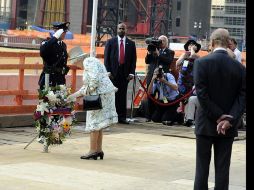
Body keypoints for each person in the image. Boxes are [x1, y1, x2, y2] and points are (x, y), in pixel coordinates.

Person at [193, 28, 246, 190]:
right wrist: (228, 119)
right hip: (228, 127)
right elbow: (242, 97)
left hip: (205, 124)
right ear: (228, 43)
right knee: (223, 170)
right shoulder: (239, 68)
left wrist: (218, 116)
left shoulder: (201, 63)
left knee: (201, 169)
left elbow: (202, 95)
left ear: (212, 42)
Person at [67, 57, 118, 160]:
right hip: (104, 93)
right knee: (99, 123)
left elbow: (94, 81)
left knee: (94, 122)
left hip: (99, 95)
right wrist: (73, 96)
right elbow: (88, 85)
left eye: (75, 63)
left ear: (78, 60)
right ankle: (98, 150)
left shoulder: (88, 61)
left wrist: (87, 92)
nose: (76, 66)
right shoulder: (91, 62)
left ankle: (92, 150)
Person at [104, 23, 137, 124]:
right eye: (120, 28)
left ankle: (121, 117)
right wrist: (108, 72)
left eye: (123, 29)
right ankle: (111, 117)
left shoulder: (131, 44)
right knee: (112, 95)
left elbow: (133, 60)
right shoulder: (110, 42)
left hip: (125, 74)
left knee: (122, 96)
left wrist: (131, 73)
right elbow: (106, 58)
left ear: (126, 30)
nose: (121, 30)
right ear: (117, 29)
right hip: (113, 73)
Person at [38, 22, 71, 89]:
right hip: (49, 78)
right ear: (56, 31)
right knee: (48, 98)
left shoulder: (63, 45)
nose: (64, 34)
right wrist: (55, 37)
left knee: (60, 98)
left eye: (65, 32)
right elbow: (42, 52)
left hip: (60, 79)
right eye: (62, 32)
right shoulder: (47, 42)